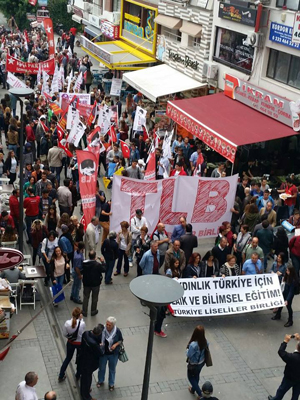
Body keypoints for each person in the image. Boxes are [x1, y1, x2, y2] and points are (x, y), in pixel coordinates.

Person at [267, 333, 300, 400]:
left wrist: (285, 341)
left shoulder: (292, 357)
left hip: (289, 378)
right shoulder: (294, 357)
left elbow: (281, 351)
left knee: (282, 390)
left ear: (297, 346)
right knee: (296, 394)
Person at [58, 307, 86, 382]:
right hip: (79, 343)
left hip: (70, 343)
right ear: (80, 315)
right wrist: (81, 320)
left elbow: (64, 334)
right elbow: (82, 332)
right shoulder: (82, 323)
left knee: (68, 358)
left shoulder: (67, 323)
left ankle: (61, 375)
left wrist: (70, 338)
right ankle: (78, 375)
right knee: (79, 359)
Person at [97, 316, 123, 391]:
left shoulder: (117, 331)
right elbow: (98, 338)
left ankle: (111, 384)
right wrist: (100, 344)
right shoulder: (102, 329)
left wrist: (115, 345)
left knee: (112, 369)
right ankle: (100, 380)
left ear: (113, 325)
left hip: (113, 354)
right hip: (104, 353)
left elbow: (121, 340)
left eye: (109, 325)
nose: (107, 326)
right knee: (101, 368)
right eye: (107, 324)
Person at [79, 324, 104, 400]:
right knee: (87, 379)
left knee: (84, 377)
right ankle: (86, 396)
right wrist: (100, 346)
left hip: (82, 359)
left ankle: (84, 391)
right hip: (89, 364)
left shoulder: (86, 333)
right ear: (99, 334)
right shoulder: (93, 344)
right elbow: (100, 353)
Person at [186, 325, 209, 398]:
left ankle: (200, 394)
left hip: (193, 364)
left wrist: (187, 350)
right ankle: (193, 389)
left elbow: (189, 355)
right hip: (201, 362)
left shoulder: (193, 345)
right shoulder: (205, 342)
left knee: (190, 377)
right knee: (196, 375)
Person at [82, 250, 106, 317]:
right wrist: (103, 262)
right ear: (95, 256)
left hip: (86, 283)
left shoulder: (84, 264)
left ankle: (84, 311)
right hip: (95, 284)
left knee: (86, 297)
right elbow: (104, 269)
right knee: (95, 297)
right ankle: (93, 311)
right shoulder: (97, 265)